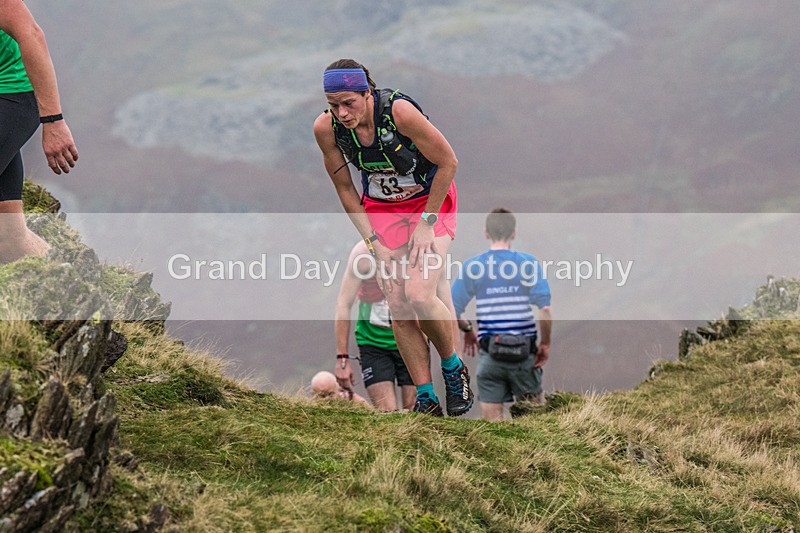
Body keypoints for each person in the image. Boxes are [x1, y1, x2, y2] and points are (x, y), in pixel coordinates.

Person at [313, 59, 472, 417]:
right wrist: (373, 243)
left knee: (418, 293)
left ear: (367, 93)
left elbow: (448, 162)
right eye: (333, 104)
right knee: (398, 303)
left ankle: (452, 367)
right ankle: (426, 396)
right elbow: (345, 189)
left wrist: (427, 223)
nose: (341, 113)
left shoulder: (399, 113)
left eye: (348, 103)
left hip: (431, 203)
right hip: (382, 212)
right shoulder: (327, 128)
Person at [451, 208, 552, 422]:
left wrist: (467, 329)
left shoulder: (473, 267)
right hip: (525, 356)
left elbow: (452, 308)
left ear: (486, 233)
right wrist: (545, 344)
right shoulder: (528, 264)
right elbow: (545, 309)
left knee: (493, 432)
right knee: (536, 427)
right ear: (513, 233)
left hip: (490, 356)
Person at [0, 1, 78, 263]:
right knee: (9, 238)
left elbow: (30, 33)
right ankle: (71, 286)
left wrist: (53, 121)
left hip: (12, 96)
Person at [335, 240, 415, 412]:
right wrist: (342, 359)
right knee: (387, 414)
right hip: (373, 343)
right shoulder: (362, 253)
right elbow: (343, 304)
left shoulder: (417, 247)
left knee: (416, 412)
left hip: (413, 341)